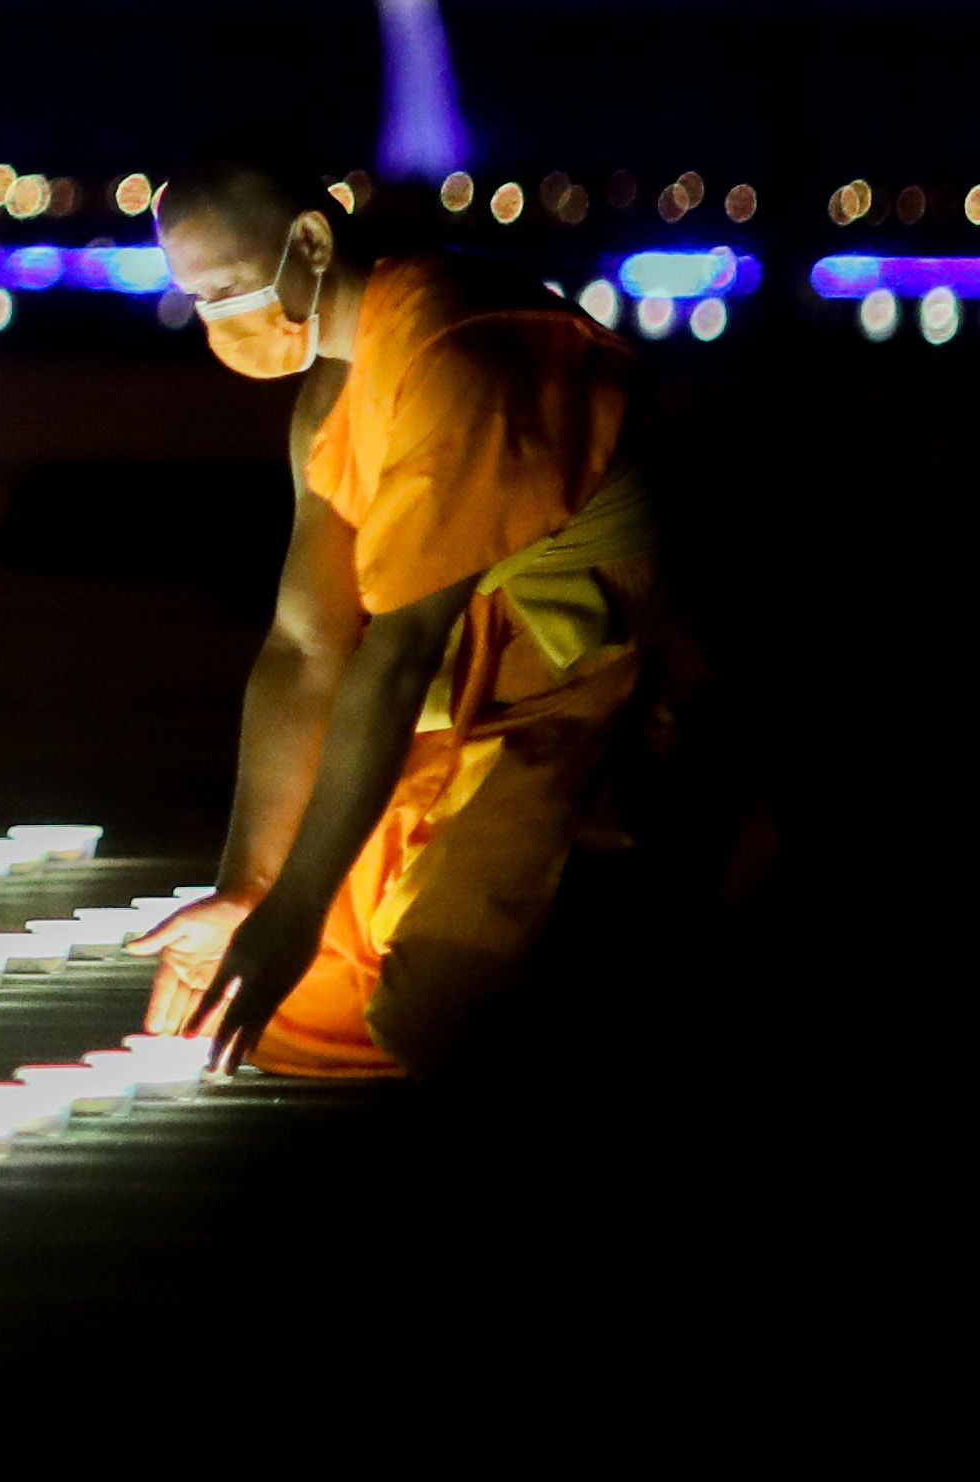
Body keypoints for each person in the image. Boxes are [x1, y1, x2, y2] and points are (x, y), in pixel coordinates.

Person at [133, 164, 657, 1078]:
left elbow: (399, 653)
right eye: (197, 299)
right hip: (464, 695)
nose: (217, 319)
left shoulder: (460, 352)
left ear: (309, 242)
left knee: (429, 1013)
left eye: (226, 288)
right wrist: (250, 891)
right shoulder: (328, 393)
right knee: (287, 997)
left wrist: (296, 914)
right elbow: (304, 644)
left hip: (582, 695)